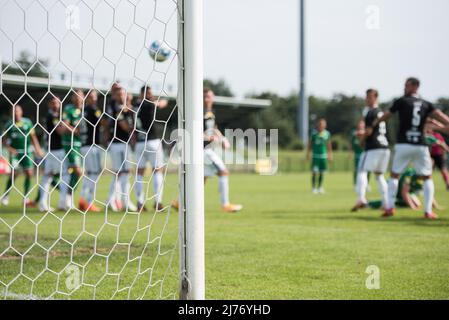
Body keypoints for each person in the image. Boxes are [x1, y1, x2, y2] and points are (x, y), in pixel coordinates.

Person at [372, 78, 449, 219]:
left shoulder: (402, 101)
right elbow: (440, 116)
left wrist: (375, 123)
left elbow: (387, 115)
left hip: (403, 143)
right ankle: (428, 211)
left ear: (415, 86)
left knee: (394, 175)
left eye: (407, 85)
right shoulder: (427, 104)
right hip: (420, 144)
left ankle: (390, 208)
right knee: (427, 177)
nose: (404, 88)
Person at [352, 89, 390, 212]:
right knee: (379, 175)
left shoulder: (371, 112)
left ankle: (361, 198)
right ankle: (386, 202)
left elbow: (369, 131)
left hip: (373, 146)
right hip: (384, 147)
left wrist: (362, 140)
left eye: (369, 97)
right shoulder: (380, 112)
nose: (366, 99)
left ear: (375, 98)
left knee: (362, 171)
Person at [1, 105, 44, 207]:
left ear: (21, 112)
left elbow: (33, 137)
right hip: (15, 153)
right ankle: (6, 195)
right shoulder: (8, 125)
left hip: (27, 152)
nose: (16, 113)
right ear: (11, 113)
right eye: (14, 111)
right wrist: (10, 149)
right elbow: (3, 141)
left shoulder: (27, 123)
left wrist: (38, 149)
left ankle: (25, 197)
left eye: (18, 111)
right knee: (14, 173)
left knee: (29, 173)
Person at [134, 86, 169, 212]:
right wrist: (162, 100)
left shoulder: (135, 106)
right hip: (152, 141)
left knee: (139, 173)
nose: (150, 94)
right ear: (143, 93)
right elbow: (163, 103)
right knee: (157, 171)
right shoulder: (149, 104)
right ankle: (158, 202)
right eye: (148, 92)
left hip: (139, 142)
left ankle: (140, 203)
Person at [106, 87, 137, 212]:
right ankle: (118, 201)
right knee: (120, 173)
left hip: (125, 144)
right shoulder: (115, 107)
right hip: (117, 144)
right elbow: (123, 125)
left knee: (123, 173)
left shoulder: (126, 109)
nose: (122, 96)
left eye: (124, 94)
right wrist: (133, 129)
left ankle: (120, 201)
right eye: (119, 94)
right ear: (115, 96)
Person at [38, 96, 68, 212]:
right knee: (65, 175)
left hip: (51, 150)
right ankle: (62, 203)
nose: (56, 105)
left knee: (47, 177)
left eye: (58, 103)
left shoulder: (52, 116)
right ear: (49, 104)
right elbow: (60, 131)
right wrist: (66, 122)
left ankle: (43, 203)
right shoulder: (53, 116)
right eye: (53, 103)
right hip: (57, 150)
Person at [79, 90, 104, 212]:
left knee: (89, 173)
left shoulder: (82, 110)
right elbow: (103, 122)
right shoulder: (93, 109)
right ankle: (88, 202)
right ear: (87, 98)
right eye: (91, 96)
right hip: (92, 145)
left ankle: (82, 200)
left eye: (95, 96)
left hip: (84, 145)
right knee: (94, 173)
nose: (94, 99)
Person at [60, 89, 85, 210]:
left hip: (82, 145)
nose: (78, 98)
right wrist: (75, 130)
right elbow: (64, 124)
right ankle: (68, 198)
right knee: (78, 171)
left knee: (77, 172)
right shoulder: (68, 109)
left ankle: (67, 199)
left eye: (80, 96)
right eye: (75, 96)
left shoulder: (85, 110)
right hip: (70, 143)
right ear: (72, 98)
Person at [306, 118, 333, 194]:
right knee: (314, 172)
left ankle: (320, 187)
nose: (322, 126)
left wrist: (330, 155)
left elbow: (329, 145)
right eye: (320, 124)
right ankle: (314, 188)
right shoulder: (314, 134)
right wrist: (308, 154)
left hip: (323, 156)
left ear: (325, 125)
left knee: (322, 172)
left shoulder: (327, 134)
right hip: (315, 156)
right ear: (318, 125)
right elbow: (309, 145)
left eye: (323, 124)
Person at [349, 120, 365, 187]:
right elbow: (351, 144)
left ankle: (366, 184)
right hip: (357, 154)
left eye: (362, 124)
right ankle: (355, 183)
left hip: (365, 154)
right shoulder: (354, 133)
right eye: (359, 124)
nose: (360, 125)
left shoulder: (366, 132)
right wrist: (350, 153)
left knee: (366, 169)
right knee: (356, 169)